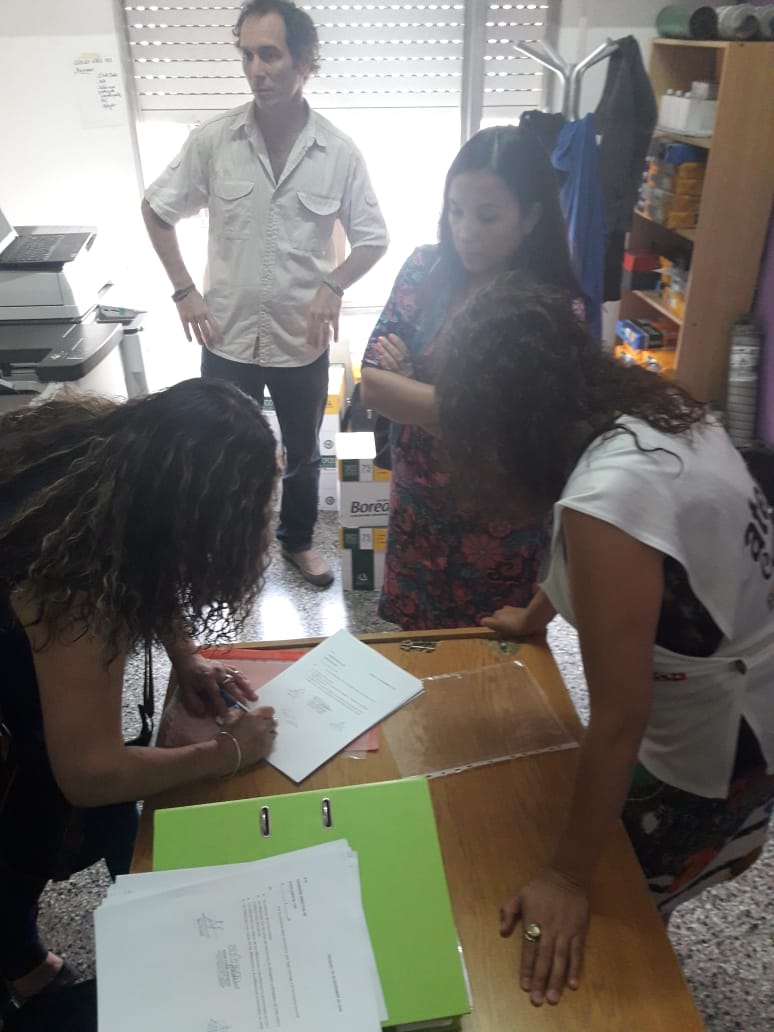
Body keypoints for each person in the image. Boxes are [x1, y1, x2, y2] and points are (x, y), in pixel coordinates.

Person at [435, 278, 774, 1007]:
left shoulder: (607, 499)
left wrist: (566, 876)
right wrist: (536, 615)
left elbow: (619, 718)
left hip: (724, 750)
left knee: (607, 904)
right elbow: (632, 554)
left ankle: (638, 980)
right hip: (754, 697)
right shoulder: (646, 411)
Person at [0, 379, 280, 1021]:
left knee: (70, 794)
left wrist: (184, 655)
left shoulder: (117, 456)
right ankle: (18, 967)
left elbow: (150, 555)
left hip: (23, 651)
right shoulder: (75, 582)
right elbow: (88, 772)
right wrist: (227, 752)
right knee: (25, 812)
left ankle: (33, 945)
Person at [141, 0, 389, 589]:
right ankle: (232, 549)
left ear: (304, 61)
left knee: (302, 453)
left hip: (299, 340)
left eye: (271, 55)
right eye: (248, 55)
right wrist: (184, 291)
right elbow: (155, 209)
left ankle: (296, 541)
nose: (257, 69)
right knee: (224, 454)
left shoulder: (338, 153)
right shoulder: (214, 141)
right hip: (225, 335)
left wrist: (333, 284)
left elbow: (374, 239)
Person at [359, 125, 582, 629]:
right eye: (455, 210)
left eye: (486, 216)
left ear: (530, 217)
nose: (465, 231)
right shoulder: (425, 269)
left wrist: (412, 385)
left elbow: (513, 438)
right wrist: (474, 414)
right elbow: (372, 386)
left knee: (489, 658)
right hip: (417, 513)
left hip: (500, 529)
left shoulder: (553, 308)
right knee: (416, 653)